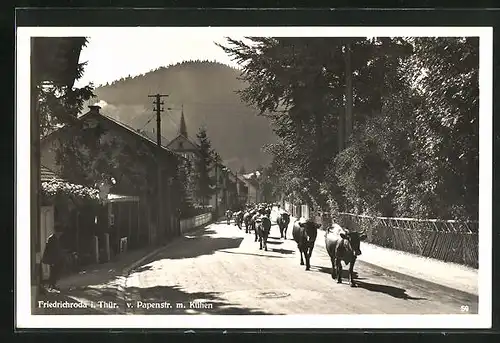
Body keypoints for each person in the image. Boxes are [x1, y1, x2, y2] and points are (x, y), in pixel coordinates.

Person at [42, 225, 64, 290]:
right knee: (53, 271)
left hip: (56, 258)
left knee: (56, 271)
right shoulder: (52, 239)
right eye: (59, 233)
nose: (60, 234)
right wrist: (51, 260)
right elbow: (50, 250)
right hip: (52, 258)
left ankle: (52, 284)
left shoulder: (56, 238)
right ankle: (52, 285)